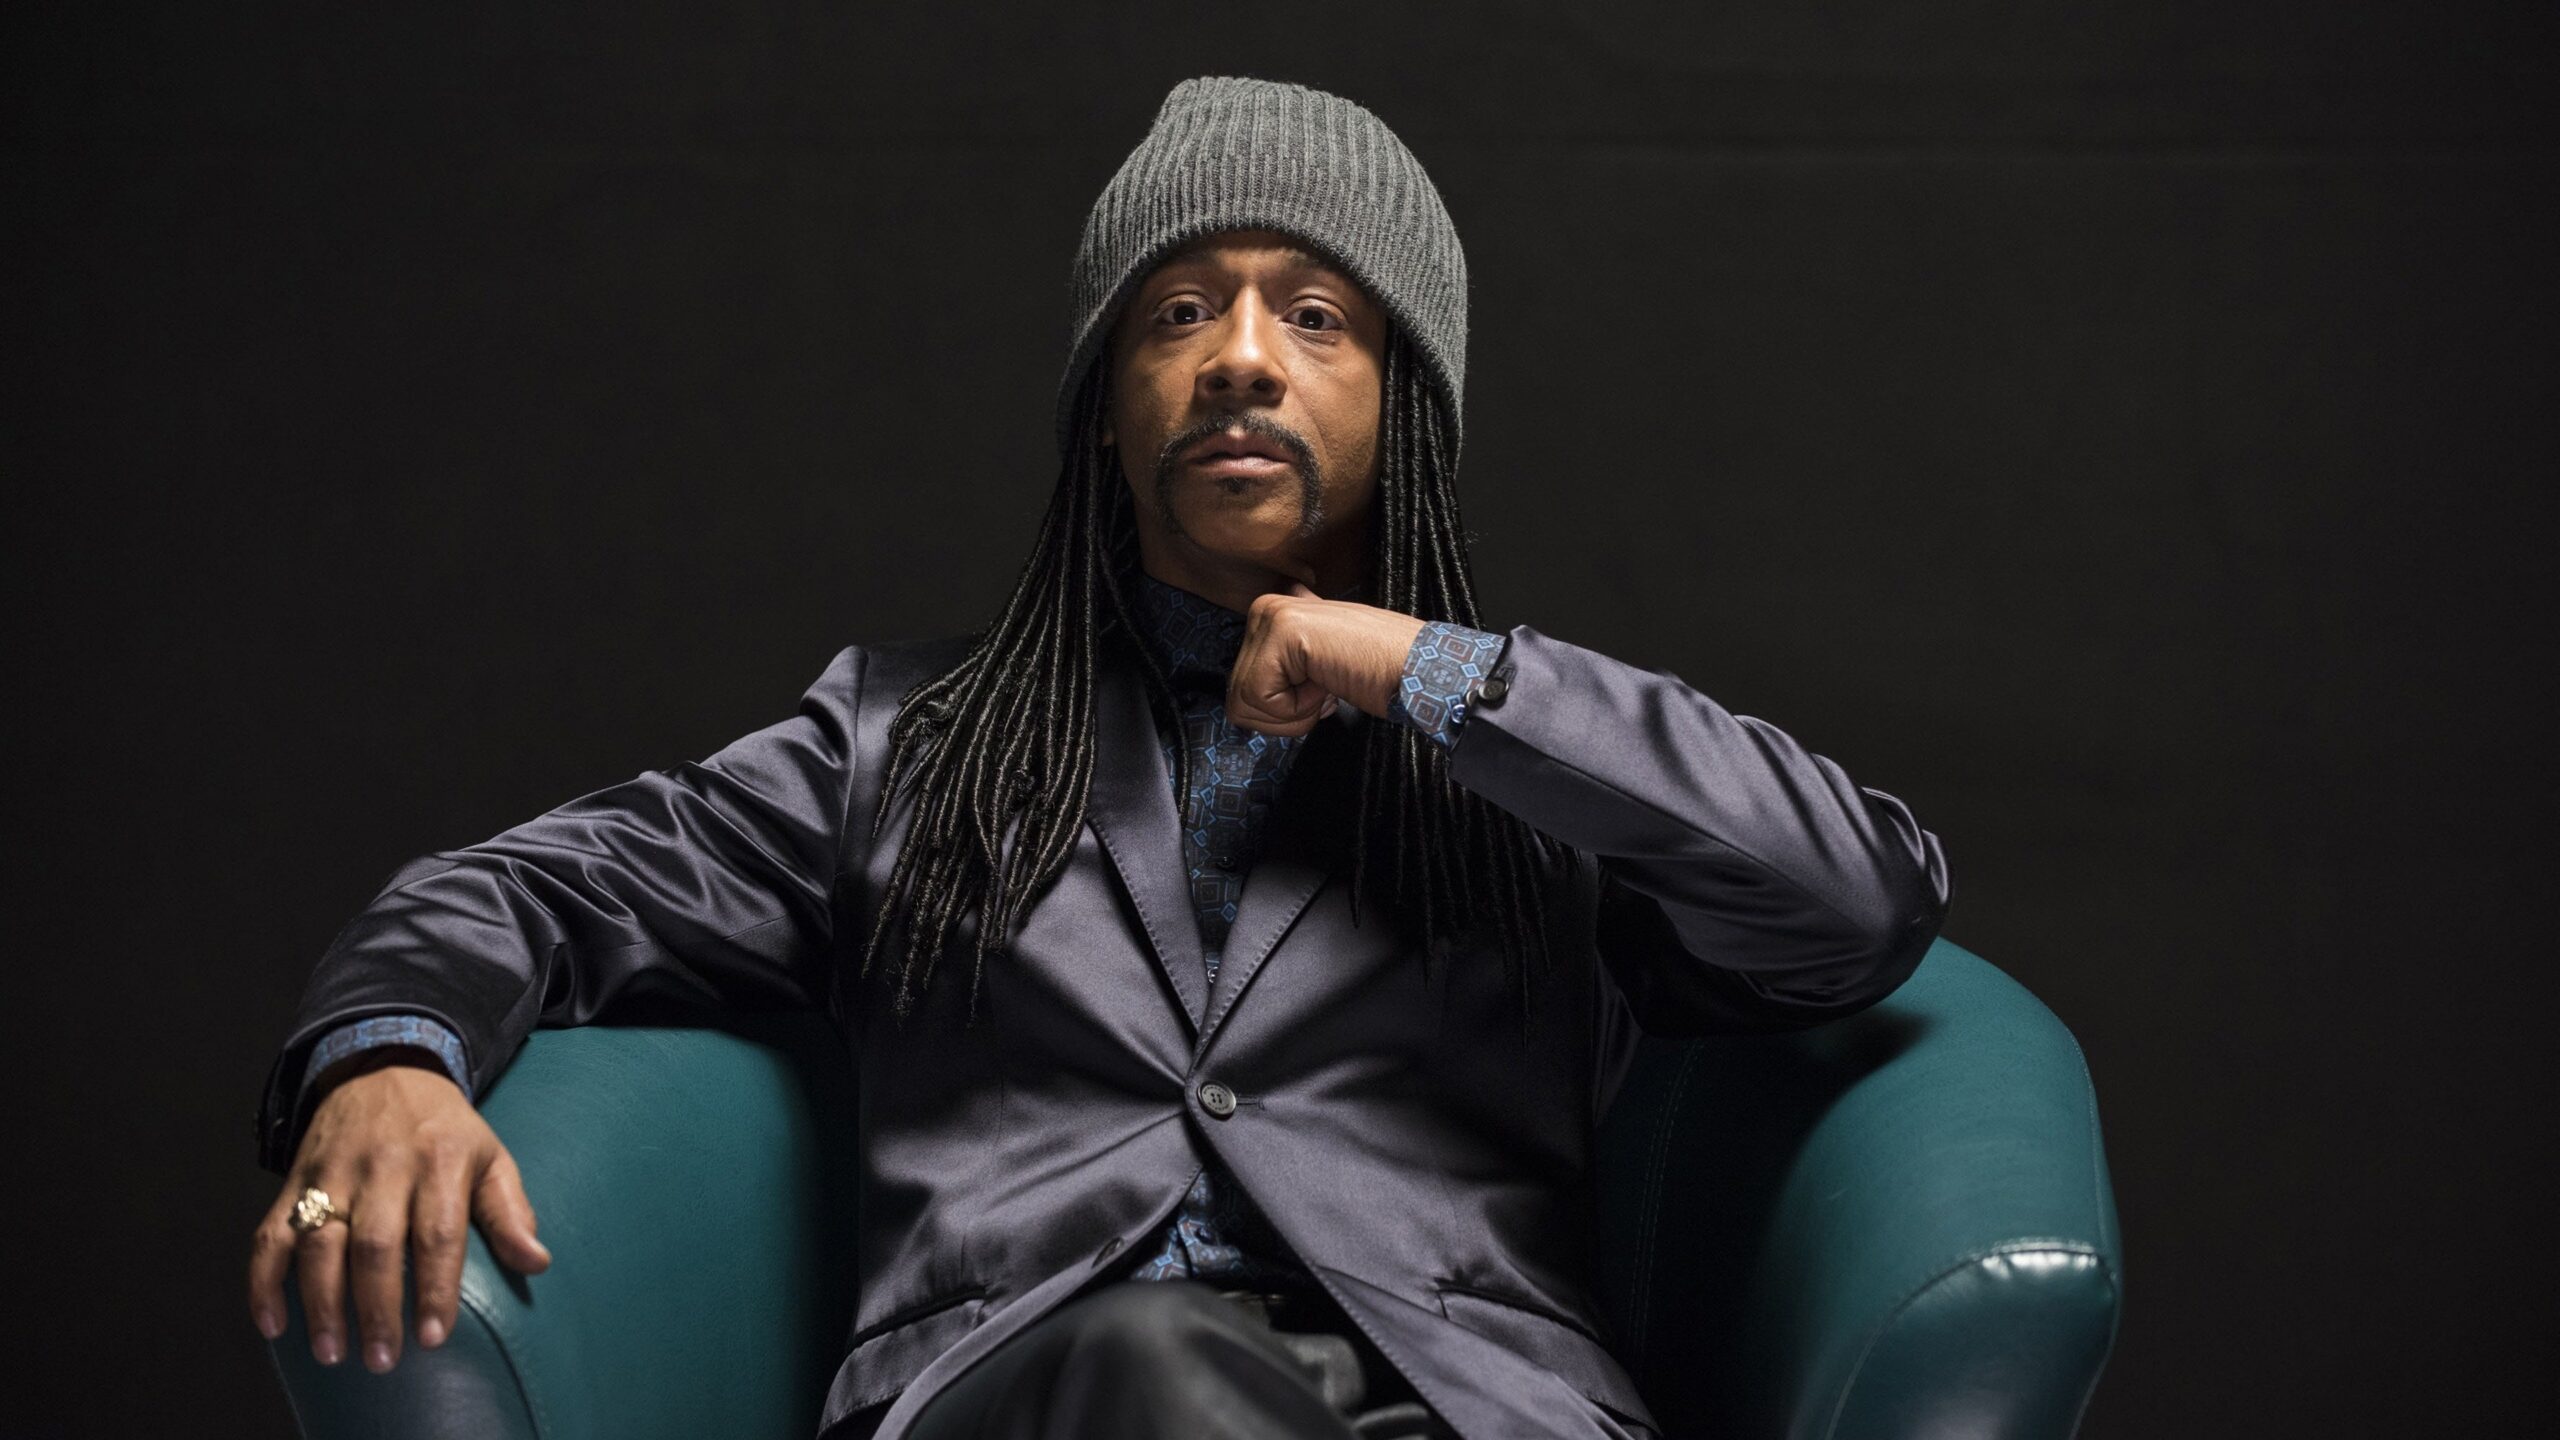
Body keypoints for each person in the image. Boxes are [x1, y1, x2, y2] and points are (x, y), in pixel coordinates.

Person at [246, 74, 1951, 1440]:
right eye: (1181, 311)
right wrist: (387, 1061)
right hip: (1038, 1393)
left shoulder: (1532, 774)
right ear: (1109, 403)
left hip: (1459, 1405)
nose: (1241, 359)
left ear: (1406, 406)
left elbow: (1853, 904)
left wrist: (1416, 670)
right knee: (1151, 1368)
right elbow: (522, 892)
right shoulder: (901, 744)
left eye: (1317, 317)